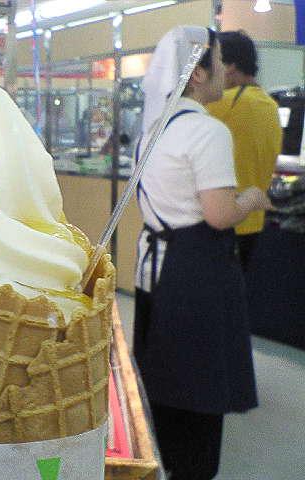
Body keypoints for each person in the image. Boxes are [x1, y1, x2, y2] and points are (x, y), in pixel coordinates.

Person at [132, 26, 270, 479]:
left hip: (155, 266)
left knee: (163, 372)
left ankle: (163, 458)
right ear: (197, 74)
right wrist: (251, 198)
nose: (225, 71)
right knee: (199, 383)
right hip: (196, 271)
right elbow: (219, 214)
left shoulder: (154, 130)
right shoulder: (207, 132)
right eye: (218, 60)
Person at [207, 30, 282, 270]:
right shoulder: (271, 106)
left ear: (229, 67)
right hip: (254, 221)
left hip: (222, 220)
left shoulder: (222, 103)